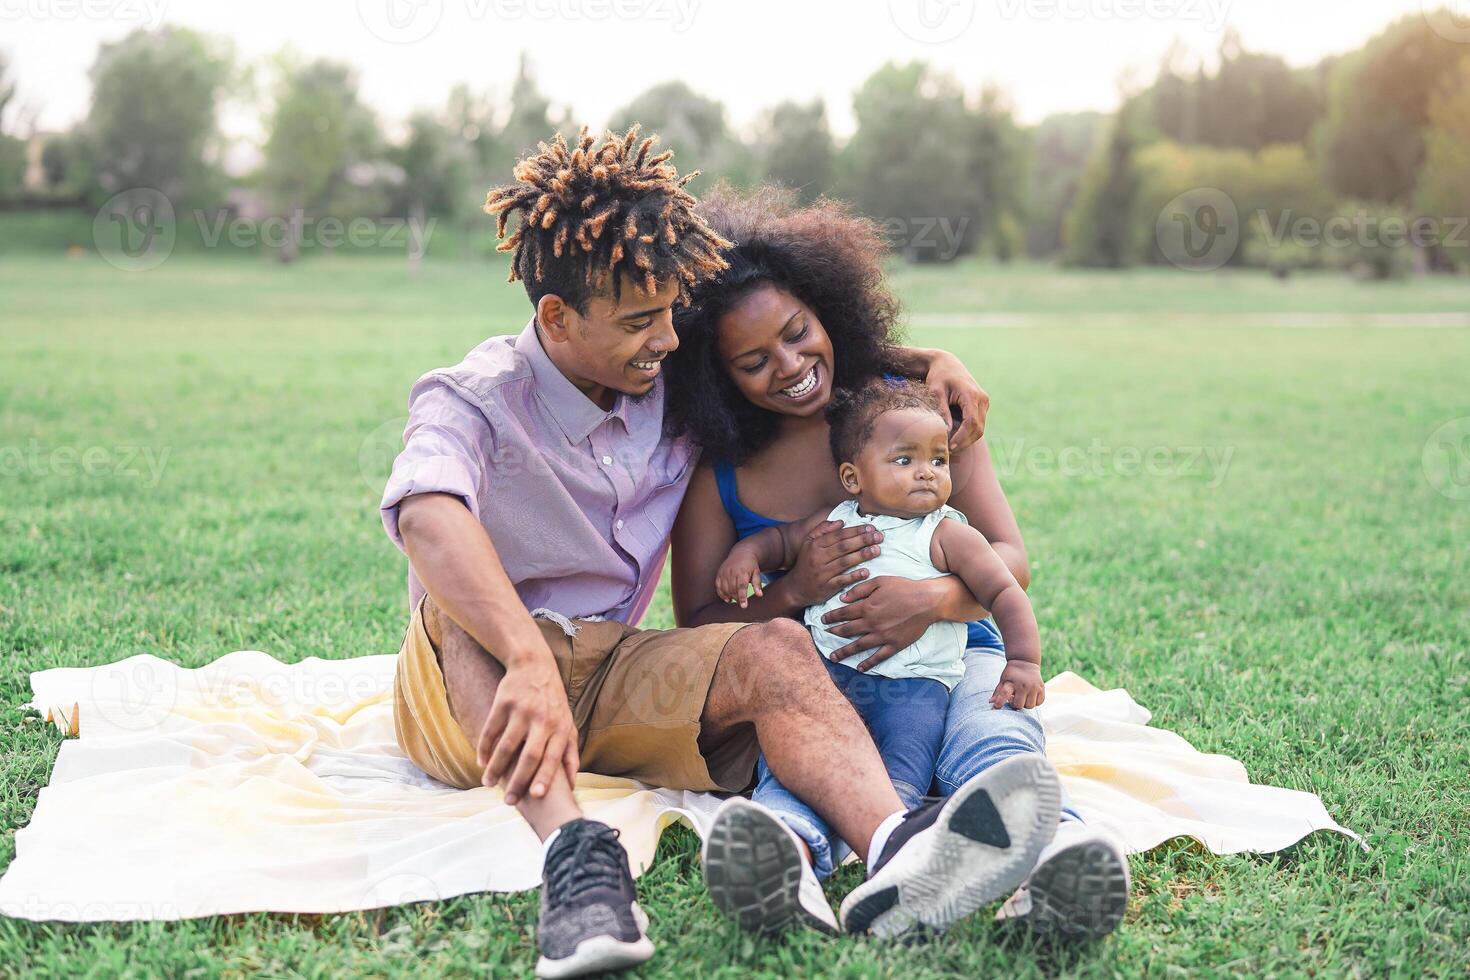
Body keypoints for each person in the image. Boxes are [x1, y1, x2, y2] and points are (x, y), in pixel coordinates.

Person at [382, 129, 1064, 978]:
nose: (666, 338)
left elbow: (795, 359)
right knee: (463, 605)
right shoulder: (474, 399)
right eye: (639, 321)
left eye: (671, 315)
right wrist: (524, 654)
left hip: (610, 665)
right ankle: (578, 863)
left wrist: (932, 360)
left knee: (776, 648)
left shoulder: (664, 378)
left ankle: (896, 850)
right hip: (467, 686)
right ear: (557, 317)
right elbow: (429, 513)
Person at [667, 186, 1131, 942]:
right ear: (718, 380)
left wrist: (934, 601)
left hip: (964, 652)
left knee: (993, 735)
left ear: (828, 309)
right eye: (754, 361)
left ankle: (1058, 855)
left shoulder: (913, 420)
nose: (789, 365)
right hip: (832, 676)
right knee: (809, 760)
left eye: (798, 332)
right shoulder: (720, 475)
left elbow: (1010, 558)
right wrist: (792, 590)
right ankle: (784, 857)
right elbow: (700, 624)